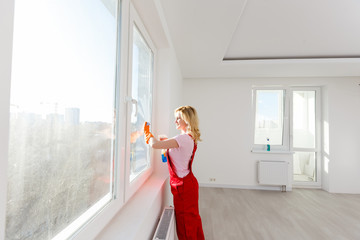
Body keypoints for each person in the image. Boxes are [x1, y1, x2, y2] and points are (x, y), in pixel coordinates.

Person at [143, 105, 205, 240]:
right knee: (192, 221)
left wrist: (148, 133)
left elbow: (154, 145)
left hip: (184, 187)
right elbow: (176, 151)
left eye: (178, 118)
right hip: (188, 184)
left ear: (187, 120)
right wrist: (166, 146)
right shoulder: (189, 138)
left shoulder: (182, 139)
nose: (175, 121)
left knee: (185, 225)